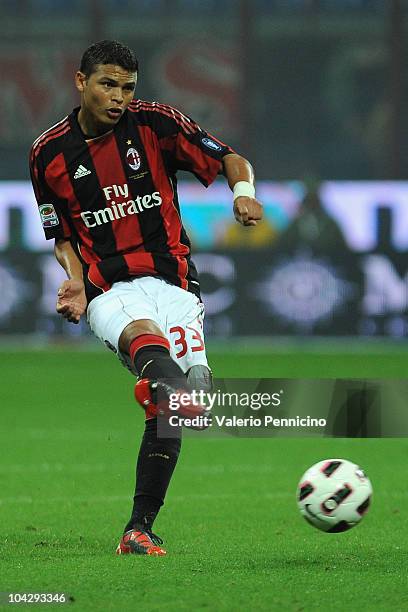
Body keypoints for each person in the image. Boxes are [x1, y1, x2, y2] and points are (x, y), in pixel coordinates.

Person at [29, 40, 262, 557]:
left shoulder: (154, 124)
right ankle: (159, 396)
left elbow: (230, 158)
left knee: (189, 397)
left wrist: (242, 194)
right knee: (167, 383)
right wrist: (73, 280)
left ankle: (139, 527)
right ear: (80, 82)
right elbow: (62, 236)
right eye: (107, 85)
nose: (117, 97)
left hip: (174, 283)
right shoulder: (47, 154)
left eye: (127, 87)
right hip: (108, 290)